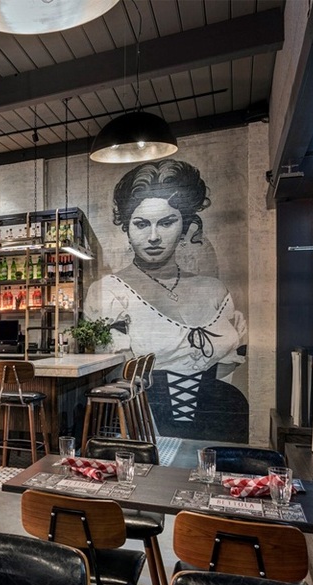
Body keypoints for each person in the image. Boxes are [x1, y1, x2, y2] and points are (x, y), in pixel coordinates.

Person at [84, 159, 248, 441]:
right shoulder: (109, 292)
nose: (153, 237)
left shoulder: (214, 290)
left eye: (167, 222)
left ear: (184, 227)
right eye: (141, 224)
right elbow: (115, 372)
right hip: (145, 419)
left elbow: (231, 359)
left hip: (220, 421)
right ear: (127, 229)